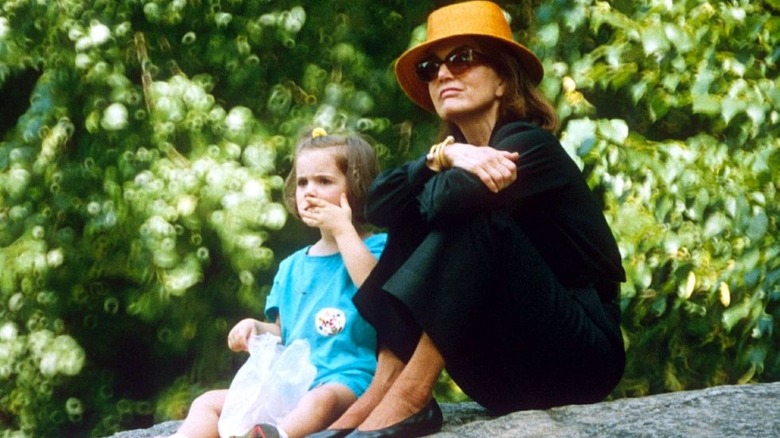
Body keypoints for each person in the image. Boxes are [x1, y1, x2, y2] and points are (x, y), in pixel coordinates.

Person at [309, 2, 626, 437]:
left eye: (461, 59)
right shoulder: (453, 158)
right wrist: (445, 154)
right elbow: (375, 206)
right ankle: (384, 384)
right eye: (430, 67)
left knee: (473, 217)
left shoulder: (527, 145)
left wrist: (441, 169)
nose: (442, 74)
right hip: (499, 375)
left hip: (579, 358)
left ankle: (409, 396)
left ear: (502, 79)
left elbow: (447, 204)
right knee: (415, 210)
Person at [168, 129, 387, 438]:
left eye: (324, 181)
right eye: (302, 182)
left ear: (358, 187)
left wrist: (342, 229)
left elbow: (376, 293)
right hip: (290, 385)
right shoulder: (293, 265)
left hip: (346, 380)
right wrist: (255, 328)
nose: (309, 191)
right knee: (208, 402)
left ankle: (274, 436)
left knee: (320, 400)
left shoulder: (375, 247)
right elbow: (284, 333)